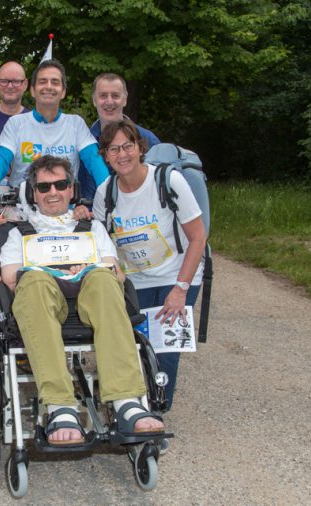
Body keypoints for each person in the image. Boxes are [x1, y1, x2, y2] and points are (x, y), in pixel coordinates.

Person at [0, 155, 165, 445]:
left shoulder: (93, 228)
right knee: (33, 280)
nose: (52, 192)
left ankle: (126, 400)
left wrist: (88, 268)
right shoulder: (18, 234)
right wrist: (52, 271)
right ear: (33, 193)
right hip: (43, 301)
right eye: (44, 187)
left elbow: (117, 272)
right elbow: (11, 277)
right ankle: (60, 406)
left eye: (60, 185)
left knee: (105, 278)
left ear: (71, 190)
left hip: (90, 300)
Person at [93, 119, 206, 411]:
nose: (122, 154)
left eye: (128, 146)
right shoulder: (105, 194)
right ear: (105, 155)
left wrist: (181, 290)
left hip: (177, 275)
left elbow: (197, 237)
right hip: (136, 280)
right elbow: (103, 246)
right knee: (134, 348)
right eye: (114, 149)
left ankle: (156, 414)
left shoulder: (168, 181)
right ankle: (132, 406)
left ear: (140, 148)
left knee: (166, 352)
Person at [0, 59, 110, 214]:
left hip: (64, 212)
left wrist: (110, 191)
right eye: (43, 81)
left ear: (63, 92)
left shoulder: (76, 124)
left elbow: (94, 161)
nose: (49, 86)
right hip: (23, 211)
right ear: (33, 90)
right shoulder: (16, 123)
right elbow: (1, 160)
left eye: (55, 82)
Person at [78, 73, 161, 201]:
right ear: (94, 100)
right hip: (97, 215)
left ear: (125, 99)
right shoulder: (85, 143)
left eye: (115, 95)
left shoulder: (147, 139)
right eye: (103, 96)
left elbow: (160, 185)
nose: (109, 101)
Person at [0, 61, 29, 144]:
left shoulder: (35, 122)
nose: (10, 86)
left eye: (16, 81)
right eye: (4, 81)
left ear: (25, 84)